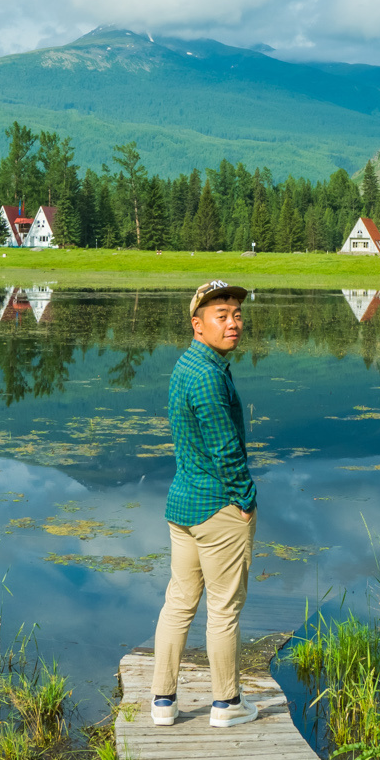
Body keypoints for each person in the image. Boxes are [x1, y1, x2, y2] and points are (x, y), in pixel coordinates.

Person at [150, 279, 259, 729]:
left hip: (183, 506)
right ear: (198, 325)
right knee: (224, 609)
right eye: (222, 316)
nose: (233, 323)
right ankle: (226, 704)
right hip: (218, 510)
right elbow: (225, 449)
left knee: (179, 602)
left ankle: (163, 702)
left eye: (236, 314)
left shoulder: (187, 366)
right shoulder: (209, 376)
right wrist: (246, 500)